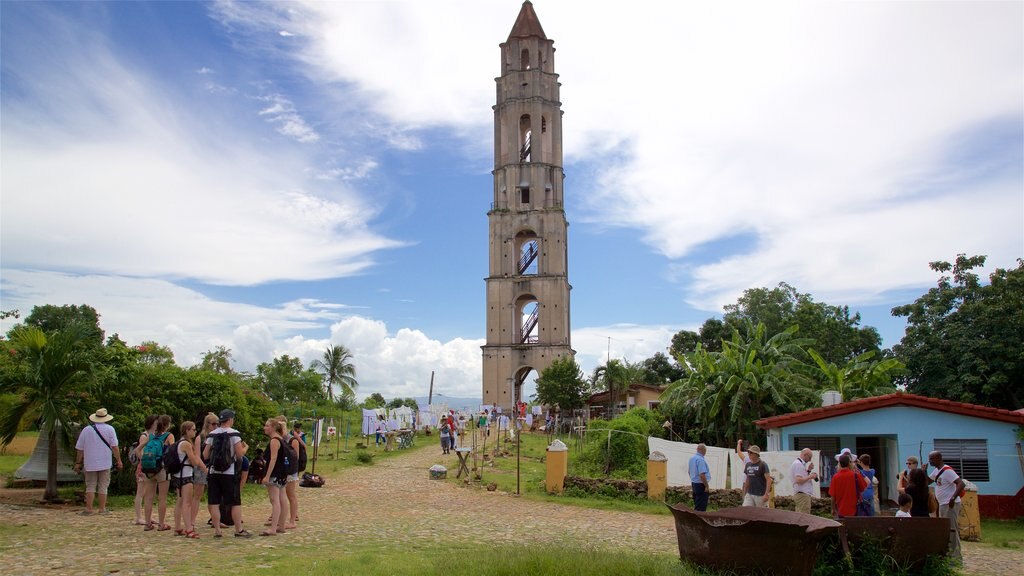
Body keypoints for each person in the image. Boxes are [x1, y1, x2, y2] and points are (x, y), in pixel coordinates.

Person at [203, 409, 251, 538]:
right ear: (230, 420)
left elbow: (205, 454)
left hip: (214, 472)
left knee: (214, 502)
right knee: (235, 502)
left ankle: (218, 530)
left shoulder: (212, 434)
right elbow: (239, 454)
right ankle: (238, 529)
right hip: (229, 472)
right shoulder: (234, 434)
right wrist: (244, 449)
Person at [73, 408, 123, 515]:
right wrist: (119, 460)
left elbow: (80, 448)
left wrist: (78, 462)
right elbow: (115, 447)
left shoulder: (86, 430)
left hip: (90, 462)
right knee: (103, 486)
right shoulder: (110, 429)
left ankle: (89, 509)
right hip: (105, 462)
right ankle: (102, 509)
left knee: (90, 486)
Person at [928, 450, 965, 565]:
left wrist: (953, 498)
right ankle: (949, 554)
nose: (930, 461)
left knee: (952, 529)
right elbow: (927, 481)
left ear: (939, 458)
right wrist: (923, 471)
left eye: (932, 459)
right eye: (930, 459)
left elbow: (961, 483)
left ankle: (956, 557)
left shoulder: (947, 471)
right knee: (946, 530)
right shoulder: (936, 471)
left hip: (950, 504)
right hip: (942, 504)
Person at [171, 421, 207, 539]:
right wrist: (196, 455)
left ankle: (177, 527)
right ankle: (189, 529)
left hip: (177, 475)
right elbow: (194, 462)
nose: (195, 432)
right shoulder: (186, 444)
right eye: (193, 429)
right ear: (187, 430)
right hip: (185, 476)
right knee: (187, 503)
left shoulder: (178, 442)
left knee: (180, 501)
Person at [142, 414, 174, 531]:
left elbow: (138, 449)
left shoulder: (150, 436)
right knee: (162, 498)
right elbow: (172, 451)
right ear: (168, 424)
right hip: (162, 469)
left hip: (149, 468)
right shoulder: (168, 436)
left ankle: (147, 523)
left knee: (149, 497)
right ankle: (161, 524)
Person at [260, 418, 288, 536]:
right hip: (282, 474)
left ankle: (273, 528)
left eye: (267, 426)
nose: (264, 428)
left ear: (273, 427)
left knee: (275, 500)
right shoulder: (281, 439)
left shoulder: (274, 441)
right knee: (282, 499)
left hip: (275, 474)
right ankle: (281, 525)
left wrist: (267, 476)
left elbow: (273, 459)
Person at [192, 412, 218, 529]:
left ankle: (215, 520)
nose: (216, 426)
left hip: (213, 467)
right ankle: (191, 521)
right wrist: (204, 468)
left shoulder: (216, 437)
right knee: (197, 495)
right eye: (213, 424)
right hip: (201, 468)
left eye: (217, 424)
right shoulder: (200, 437)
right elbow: (197, 456)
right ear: (207, 424)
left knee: (213, 496)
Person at [132, 414, 158, 525]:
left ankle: (149, 516)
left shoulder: (153, 435)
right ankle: (138, 517)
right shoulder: (144, 435)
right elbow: (140, 452)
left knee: (149, 493)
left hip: (151, 466)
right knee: (140, 492)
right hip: (144, 466)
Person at [828, 453, 867, 518]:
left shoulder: (835, 477)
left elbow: (833, 496)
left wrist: (833, 509)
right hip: (855, 509)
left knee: (842, 526)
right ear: (849, 463)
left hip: (841, 509)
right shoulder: (856, 475)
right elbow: (863, 489)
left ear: (839, 464)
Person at [790, 448, 818, 514]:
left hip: (802, 494)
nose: (810, 460)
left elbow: (802, 477)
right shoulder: (798, 464)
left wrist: (808, 470)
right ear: (805, 455)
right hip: (802, 494)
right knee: (804, 517)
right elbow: (798, 480)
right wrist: (810, 476)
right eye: (810, 457)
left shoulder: (799, 464)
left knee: (800, 515)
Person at [687, 443, 710, 512]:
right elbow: (702, 475)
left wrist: (693, 479)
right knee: (701, 507)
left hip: (694, 483)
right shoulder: (700, 460)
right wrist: (706, 486)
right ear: (704, 451)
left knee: (697, 503)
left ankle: (695, 519)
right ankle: (697, 520)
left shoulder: (692, 458)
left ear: (697, 450)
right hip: (701, 484)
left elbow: (689, 472)